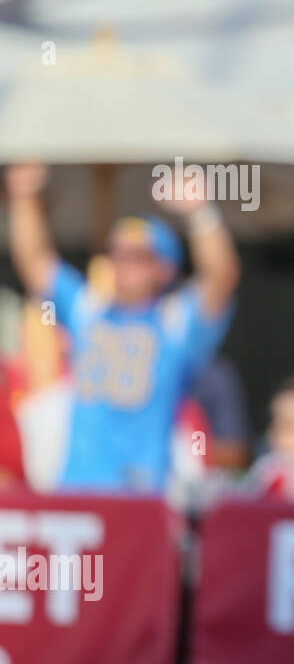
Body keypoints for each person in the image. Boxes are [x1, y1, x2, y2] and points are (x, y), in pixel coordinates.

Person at [4, 161, 239, 494]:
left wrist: (201, 214)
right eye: (117, 254)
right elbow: (35, 263)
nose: (122, 264)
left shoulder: (175, 322)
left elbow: (221, 278)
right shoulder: (90, 310)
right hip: (76, 487)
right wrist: (25, 196)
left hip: (142, 491)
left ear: (165, 270)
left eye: (137, 256)